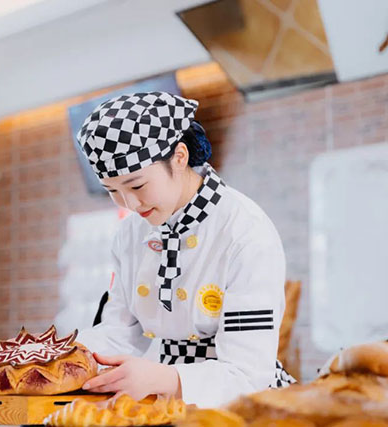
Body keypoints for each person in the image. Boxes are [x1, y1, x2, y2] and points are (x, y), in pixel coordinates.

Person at [74, 92, 295, 408]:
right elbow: (118, 332)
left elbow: (247, 373)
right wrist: (54, 355)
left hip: (242, 407)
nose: (130, 204)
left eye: (137, 186)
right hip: (164, 403)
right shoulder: (130, 233)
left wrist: (164, 379)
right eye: (113, 191)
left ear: (179, 156)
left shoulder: (244, 230)